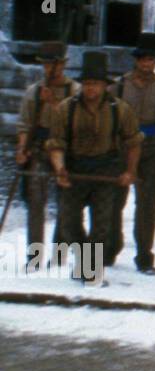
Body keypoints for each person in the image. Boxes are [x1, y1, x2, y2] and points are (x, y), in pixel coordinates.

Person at [45, 51, 142, 284]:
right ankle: (85, 262)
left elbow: (134, 143)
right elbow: (56, 143)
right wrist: (59, 169)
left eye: (96, 84)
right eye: (87, 84)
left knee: (101, 226)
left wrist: (130, 171)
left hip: (105, 169)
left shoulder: (120, 109)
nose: (91, 89)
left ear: (104, 86)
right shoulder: (65, 109)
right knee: (69, 223)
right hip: (75, 169)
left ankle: (89, 269)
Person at [108, 32, 155, 275]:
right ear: (136, 60)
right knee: (113, 200)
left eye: (151, 60)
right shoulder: (119, 86)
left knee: (148, 204)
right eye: (142, 59)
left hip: (152, 146)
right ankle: (110, 247)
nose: (146, 64)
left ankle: (144, 255)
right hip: (121, 146)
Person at [14, 41, 79, 271]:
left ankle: (60, 255)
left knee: (65, 203)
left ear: (63, 65)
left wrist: (53, 103)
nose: (51, 69)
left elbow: (78, 121)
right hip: (40, 149)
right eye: (47, 65)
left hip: (66, 150)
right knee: (35, 202)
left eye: (56, 64)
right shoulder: (34, 92)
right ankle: (34, 256)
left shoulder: (75, 91)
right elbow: (24, 124)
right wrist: (22, 149)